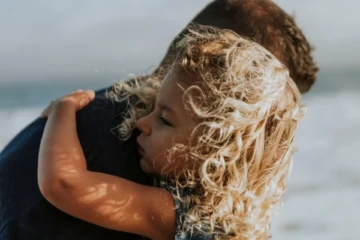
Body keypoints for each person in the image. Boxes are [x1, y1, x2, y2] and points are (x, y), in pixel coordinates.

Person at [0, 1, 318, 239]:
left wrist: (63, 108)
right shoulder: (138, 158)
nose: (260, 136)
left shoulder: (97, 109)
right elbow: (65, 183)